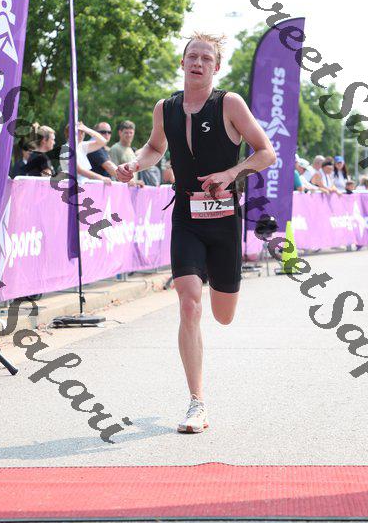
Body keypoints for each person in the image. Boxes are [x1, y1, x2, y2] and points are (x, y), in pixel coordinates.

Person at [116, 32, 276, 433]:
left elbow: (266, 152)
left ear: (216, 67)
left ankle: (222, 288)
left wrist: (233, 172)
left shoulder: (229, 104)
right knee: (189, 304)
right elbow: (155, 148)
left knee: (223, 315)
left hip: (224, 220)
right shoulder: (165, 108)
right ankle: (196, 403)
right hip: (186, 215)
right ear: (183, 62)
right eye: (193, 56)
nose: (198, 63)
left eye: (206, 58)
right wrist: (136, 164)